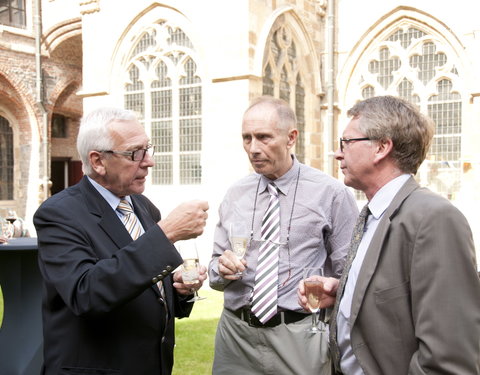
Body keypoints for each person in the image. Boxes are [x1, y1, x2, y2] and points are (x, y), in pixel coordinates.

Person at [298, 95, 480, 375]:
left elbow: (448, 358)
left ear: (382, 147)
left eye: (346, 142)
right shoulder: (373, 213)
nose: (338, 153)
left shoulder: (435, 218)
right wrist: (344, 292)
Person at [33, 107, 209, 375]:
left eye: (148, 149)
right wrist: (167, 233)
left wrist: (179, 291)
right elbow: (86, 293)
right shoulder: (59, 214)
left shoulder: (143, 206)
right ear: (98, 161)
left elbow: (146, 288)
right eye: (134, 153)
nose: (148, 161)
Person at [208, 96, 358, 374]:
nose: (253, 148)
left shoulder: (331, 194)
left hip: (299, 336)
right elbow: (214, 273)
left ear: (291, 138)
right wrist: (221, 267)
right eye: (247, 138)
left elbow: (349, 277)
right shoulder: (235, 194)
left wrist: (327, 287)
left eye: (263, 137)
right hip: (236, 337)